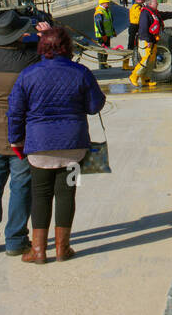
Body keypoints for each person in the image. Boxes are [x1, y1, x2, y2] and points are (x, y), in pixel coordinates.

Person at [7, 26, 106, 264]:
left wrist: (15, 140)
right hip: (74, 147)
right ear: (67, 47)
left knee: (40, 196)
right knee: (67, 195)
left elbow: (15, 113)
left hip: (39, 148)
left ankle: (39, 251)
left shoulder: (28, 75)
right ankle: (63, 248)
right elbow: (95, 106)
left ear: (42, 47)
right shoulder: (81, 72)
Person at [0, 11, 48, 256]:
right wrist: (43, 35)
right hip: (21, 133)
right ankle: (15, 239)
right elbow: (50, 55)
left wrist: (8, 38)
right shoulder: (29, 61)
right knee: (21, 185)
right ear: (19, 36)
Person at [128, 0, 172, 88]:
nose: (157, 3)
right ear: (150, 3)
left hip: (153, 40)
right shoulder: (145, 13)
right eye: (156, 2)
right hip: (146, 41)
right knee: (145, 60)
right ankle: (134, 76)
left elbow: (164, 15)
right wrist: (148, 40)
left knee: (151, 62)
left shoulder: (154, 12)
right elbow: (143, 28)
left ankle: (145, 80)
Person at [93, 0, 114, 69]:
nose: (108, 4)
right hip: (101, 35)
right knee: (101, 49)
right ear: (102, 3)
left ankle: (104, 63)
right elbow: (99, 23)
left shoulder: (106, 11)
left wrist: (113, 31)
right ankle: (101, 64)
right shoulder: (99, 12)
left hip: (107, 34)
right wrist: (103, 35)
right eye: (106, 3)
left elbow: (110, 22)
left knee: (106, 49)